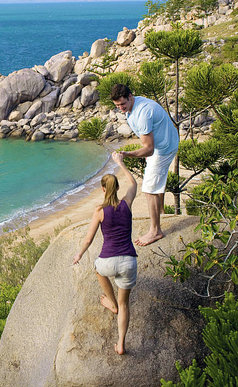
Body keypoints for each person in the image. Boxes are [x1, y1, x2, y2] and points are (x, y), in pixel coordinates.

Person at [72, 151, 137, 355]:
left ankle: (111, 302)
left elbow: (88, 239)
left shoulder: (99, 211)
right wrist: (121, 163)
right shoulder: (126, 203)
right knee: (125, 304)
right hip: (128, 261)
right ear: (117, 188)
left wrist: (79, 255)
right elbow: (134, 183)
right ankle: (121, 345)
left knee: (98, 271)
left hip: (107, 261)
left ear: (102, 189)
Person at [110, 83, 178, 246]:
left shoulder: (143, 113)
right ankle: (160, 212)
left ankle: (155, 231)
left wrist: (126, 155)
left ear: (130, 96)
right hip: (163, 144)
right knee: (155, 183)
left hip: (163, 149)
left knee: (149, 189)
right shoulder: (135, 105)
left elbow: (148, 149)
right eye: (117, 105)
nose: (120, 108)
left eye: (122, 104)